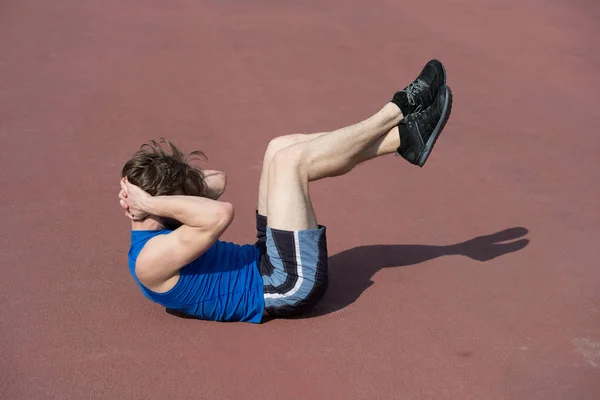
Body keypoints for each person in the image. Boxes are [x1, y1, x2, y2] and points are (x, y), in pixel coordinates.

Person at [119, 60, 453, 323]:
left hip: (267, 259)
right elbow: (221, 212)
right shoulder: (149, 259)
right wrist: (149, 201)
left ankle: (404, 140)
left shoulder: (167, 219)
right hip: (285, 285)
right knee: (292, 162)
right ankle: (396, 110)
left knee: (279, 147)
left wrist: (153, 201)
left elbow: (216, 180)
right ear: (156, 204)